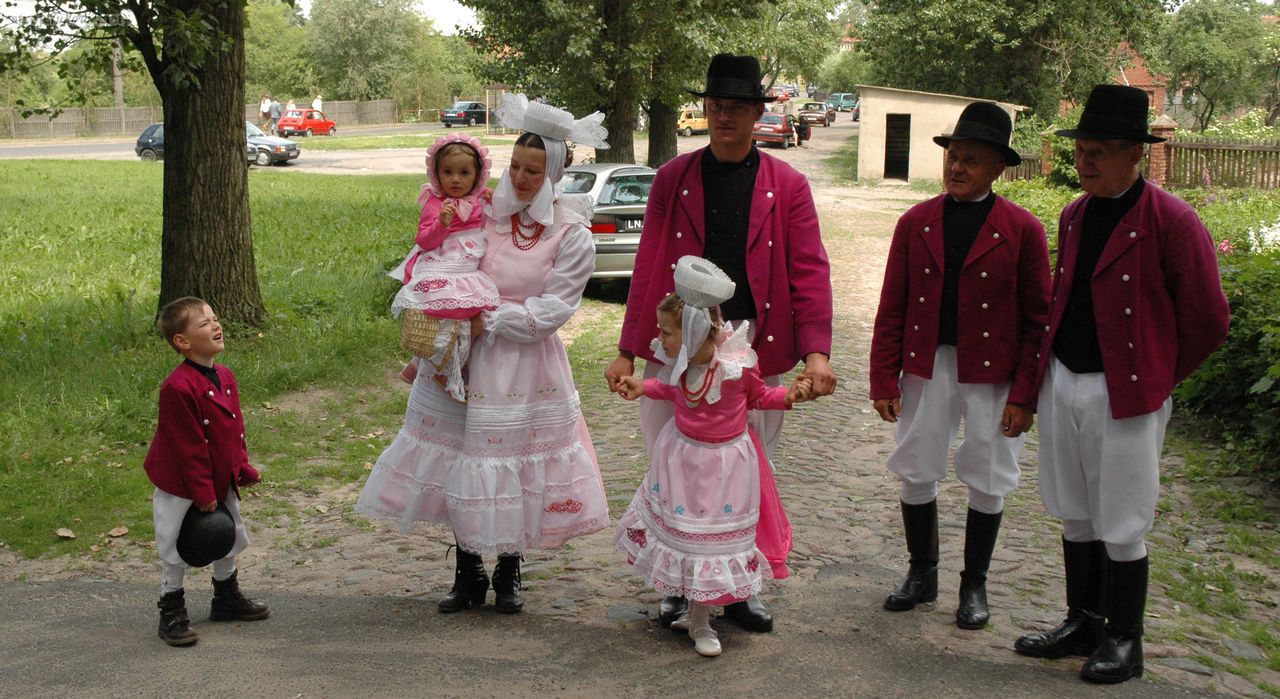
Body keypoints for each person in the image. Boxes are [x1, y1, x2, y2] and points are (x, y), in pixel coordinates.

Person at [605, 52, 836, 633]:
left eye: (736, 107)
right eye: (715, 106)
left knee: (750, 466)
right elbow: (649, 264)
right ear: (704, 108)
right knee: (672, 464)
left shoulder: (788, 185)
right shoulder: (672, 178)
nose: (724, 117)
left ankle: (737, 590)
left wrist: (818, 353)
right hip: (678, 341)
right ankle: (680, 587)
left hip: (753, 342)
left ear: (758, 112)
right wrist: (629, 349)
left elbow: (809, 270)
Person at [356, 93, 611, 615]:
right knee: (460, 460)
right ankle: (468, 569)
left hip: (522, 361)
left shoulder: (570, 232)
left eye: (534, 171)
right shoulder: (487, 212)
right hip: (463, 357)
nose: (520, 178)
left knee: (509, 466)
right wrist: (433, 296)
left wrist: (489, 319)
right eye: (515, 166)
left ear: (555, 173)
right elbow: (443, 254)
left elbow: (555, 308)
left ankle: (510, 570)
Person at [1013, 85, 1230, 684]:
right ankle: (1083, 621)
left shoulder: (1173, 220)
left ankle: (1126, 639)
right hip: (1066, 377)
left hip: (1127, 389)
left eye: (1100, 150)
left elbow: (1209, 319)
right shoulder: (1075, 214)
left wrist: (1158, 376)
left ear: (1136, 153)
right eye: (1081, 149)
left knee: (1124, 514)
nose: (1085, 161)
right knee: (1076, 510)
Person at [869, 102, 1051, 630]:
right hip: (926, 364)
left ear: (998, 167)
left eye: (971, 160)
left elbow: (1038, 318)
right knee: (916, 462)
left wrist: (1024, 393)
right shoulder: (916, 222)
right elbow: (893, 305)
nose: (957, 168)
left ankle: (975, 584)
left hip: (993, 370)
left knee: (990, 471)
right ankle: (921, 572)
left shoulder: (1022, 230)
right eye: (953, 156)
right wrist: (884, 375)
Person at [614, 257, 810, 657]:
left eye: (667, 332)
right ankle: (691, 609)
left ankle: (702, 621)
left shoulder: (735, 369)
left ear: (693, 331)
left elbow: (760, 397)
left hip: (724, 467)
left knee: (710, 541)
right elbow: (671, 391)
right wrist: (642, 387)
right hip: (683, 460)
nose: (661, 339)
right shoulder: (682, 366)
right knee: (687, 535)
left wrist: (787, 396)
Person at [143, 297, 270, 646]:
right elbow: (187, 447)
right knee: (175, 544)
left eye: (215, 319)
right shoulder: (177, 387)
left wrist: (240, 465)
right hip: (181, 485)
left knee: (227, 533)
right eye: (204, 323)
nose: (216, 326)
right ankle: (171, 608)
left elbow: (234, 428)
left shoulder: (225, 375)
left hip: (218, 477)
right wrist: (202, 494)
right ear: (181, 341)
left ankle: (225, 597)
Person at [388, 133, 499, 400]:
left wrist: (496, 202)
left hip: (468, 264)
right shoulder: (435, 203)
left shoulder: (481, 200)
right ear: (436, 174)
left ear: (478, 175)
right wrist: (442, 223)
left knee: (471, 314)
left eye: (464, 172)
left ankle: (446, 365)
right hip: (441, 261)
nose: (456, 179)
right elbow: (424, 240)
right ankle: (438, 364)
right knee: (442, 310)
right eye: (448, 172)